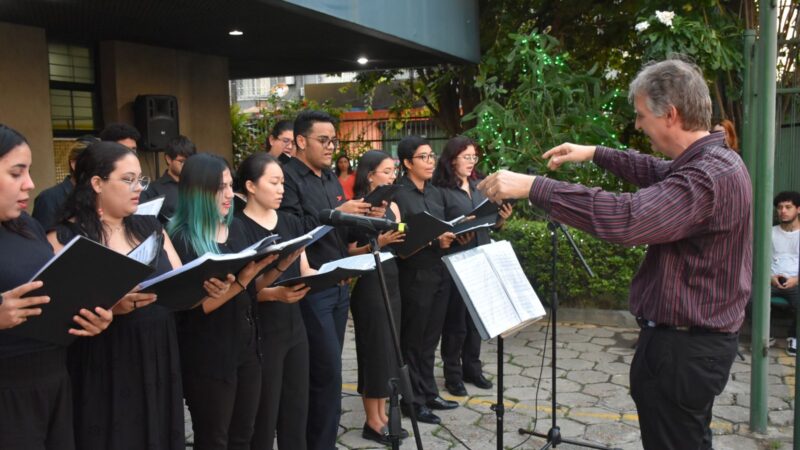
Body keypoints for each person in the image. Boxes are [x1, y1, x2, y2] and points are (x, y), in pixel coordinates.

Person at [478, 58, 752, 450]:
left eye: (641, 116)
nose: (638, 125)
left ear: (671, 115)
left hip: (684, 352)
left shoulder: (706, 177)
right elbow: (653, 170)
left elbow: (628, 218)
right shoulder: (710, 162)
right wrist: (592, 152)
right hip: (686, 346)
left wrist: (535, 187)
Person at [47, 141, 185, 449]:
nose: (138, 188)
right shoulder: (64, 238)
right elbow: (56, 312)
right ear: (97, 182)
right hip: (103, 357)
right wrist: (112, 305)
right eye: (127, 180)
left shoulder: (150, 226)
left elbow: (177, 277)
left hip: (157, 347)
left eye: (140, 179)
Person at [0, 124, 112, 450]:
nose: (30, 184)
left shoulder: (28, 227)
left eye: (29, 172)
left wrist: (91, 315)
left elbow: (55, 289)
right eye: (16, 173)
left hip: (54, 379)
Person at [278, 110, 376, 450]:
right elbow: (291, 228)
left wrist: (366, 217)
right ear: (301, 141)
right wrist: (337, 215)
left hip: (339, 285)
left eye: (334, 140)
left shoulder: (330, 178)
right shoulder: (286, 177)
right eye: (324, 140)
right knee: (325, 372)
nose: (331, 146)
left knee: (327, 373)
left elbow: (343, 232)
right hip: (311, 288)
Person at [168, 153, 278, 450]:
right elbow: (197, 307)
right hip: (208, 354)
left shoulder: (237, 227)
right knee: (215, 437)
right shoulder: (180, 239)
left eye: (230, 185)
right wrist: (243, 280)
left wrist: (280, 263)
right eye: (220, 187)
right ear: (197, 192)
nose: (229, 194)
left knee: (244, 432)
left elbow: (249, 288)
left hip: (247, 345)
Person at [234, 153, 312, 450]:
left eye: (283, 183)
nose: (281, 189)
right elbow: (240, 287)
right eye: (274, 182)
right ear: (251, 186)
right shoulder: (239, 227)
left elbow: (304, 268)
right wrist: (273, 294)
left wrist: (328, 276)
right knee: (265, 412)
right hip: (262, 331)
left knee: (296, 407)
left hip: (295, 325)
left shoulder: (291, 221)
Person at [432, 136, 512, 397]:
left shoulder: (479, 185)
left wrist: (500, 220)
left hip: (480, 257)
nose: (471, 161)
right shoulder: (440, 189)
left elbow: (489, 222)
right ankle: (453, 374)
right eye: (466, 157)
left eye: (474, 157)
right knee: (456, 322)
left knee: (476, 320)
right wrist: (459, 226)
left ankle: (472, 369)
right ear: (452, 158)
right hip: (456, 259)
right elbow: (439, 226)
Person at [393, 136, 458, 425]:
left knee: (431, 338)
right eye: (423, 157)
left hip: (439, 271)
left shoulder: (435, 193)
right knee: (414, 340)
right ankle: (412, 401)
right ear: (407, 162)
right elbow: (401, 235)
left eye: (432, 156)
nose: (430, 162)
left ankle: (429, 392)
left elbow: (443, 225)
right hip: (414, 274)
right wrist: (434, 239)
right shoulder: (399, 196)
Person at [346, 150, 407, 444]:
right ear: (370, 175)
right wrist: (378, 243)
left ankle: (383, 415)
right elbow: (349, 251)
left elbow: (402, 235)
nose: (391, 175)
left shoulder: (392, 205)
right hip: (369, 282)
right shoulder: (359, 207)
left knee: (389, 351)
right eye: (386, 171)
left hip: (392, 277)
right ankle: (372, 421)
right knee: (374, 350)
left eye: (393, 170)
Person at [32, 135, 98, 230]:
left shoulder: (101, 196)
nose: (98, 170)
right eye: (93, 164)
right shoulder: (49, 199)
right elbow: (42, 240)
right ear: (74, 164)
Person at [139, 135, 197, 223]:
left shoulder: (198, 185)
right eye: (182, 161)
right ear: (169, 159)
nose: (187, 165)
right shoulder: (152, 189)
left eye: (191, 161)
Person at [771, 191, 800, 356]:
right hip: (772, 280)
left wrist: (796, 280)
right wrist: (770, 279)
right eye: (780, 207)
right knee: (750, 296)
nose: (783, 211)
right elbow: (762, 261)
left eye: (788, 207)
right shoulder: (771, 233)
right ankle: (765, 335)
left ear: (798, 209)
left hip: (795, 282)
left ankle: (793, 337)